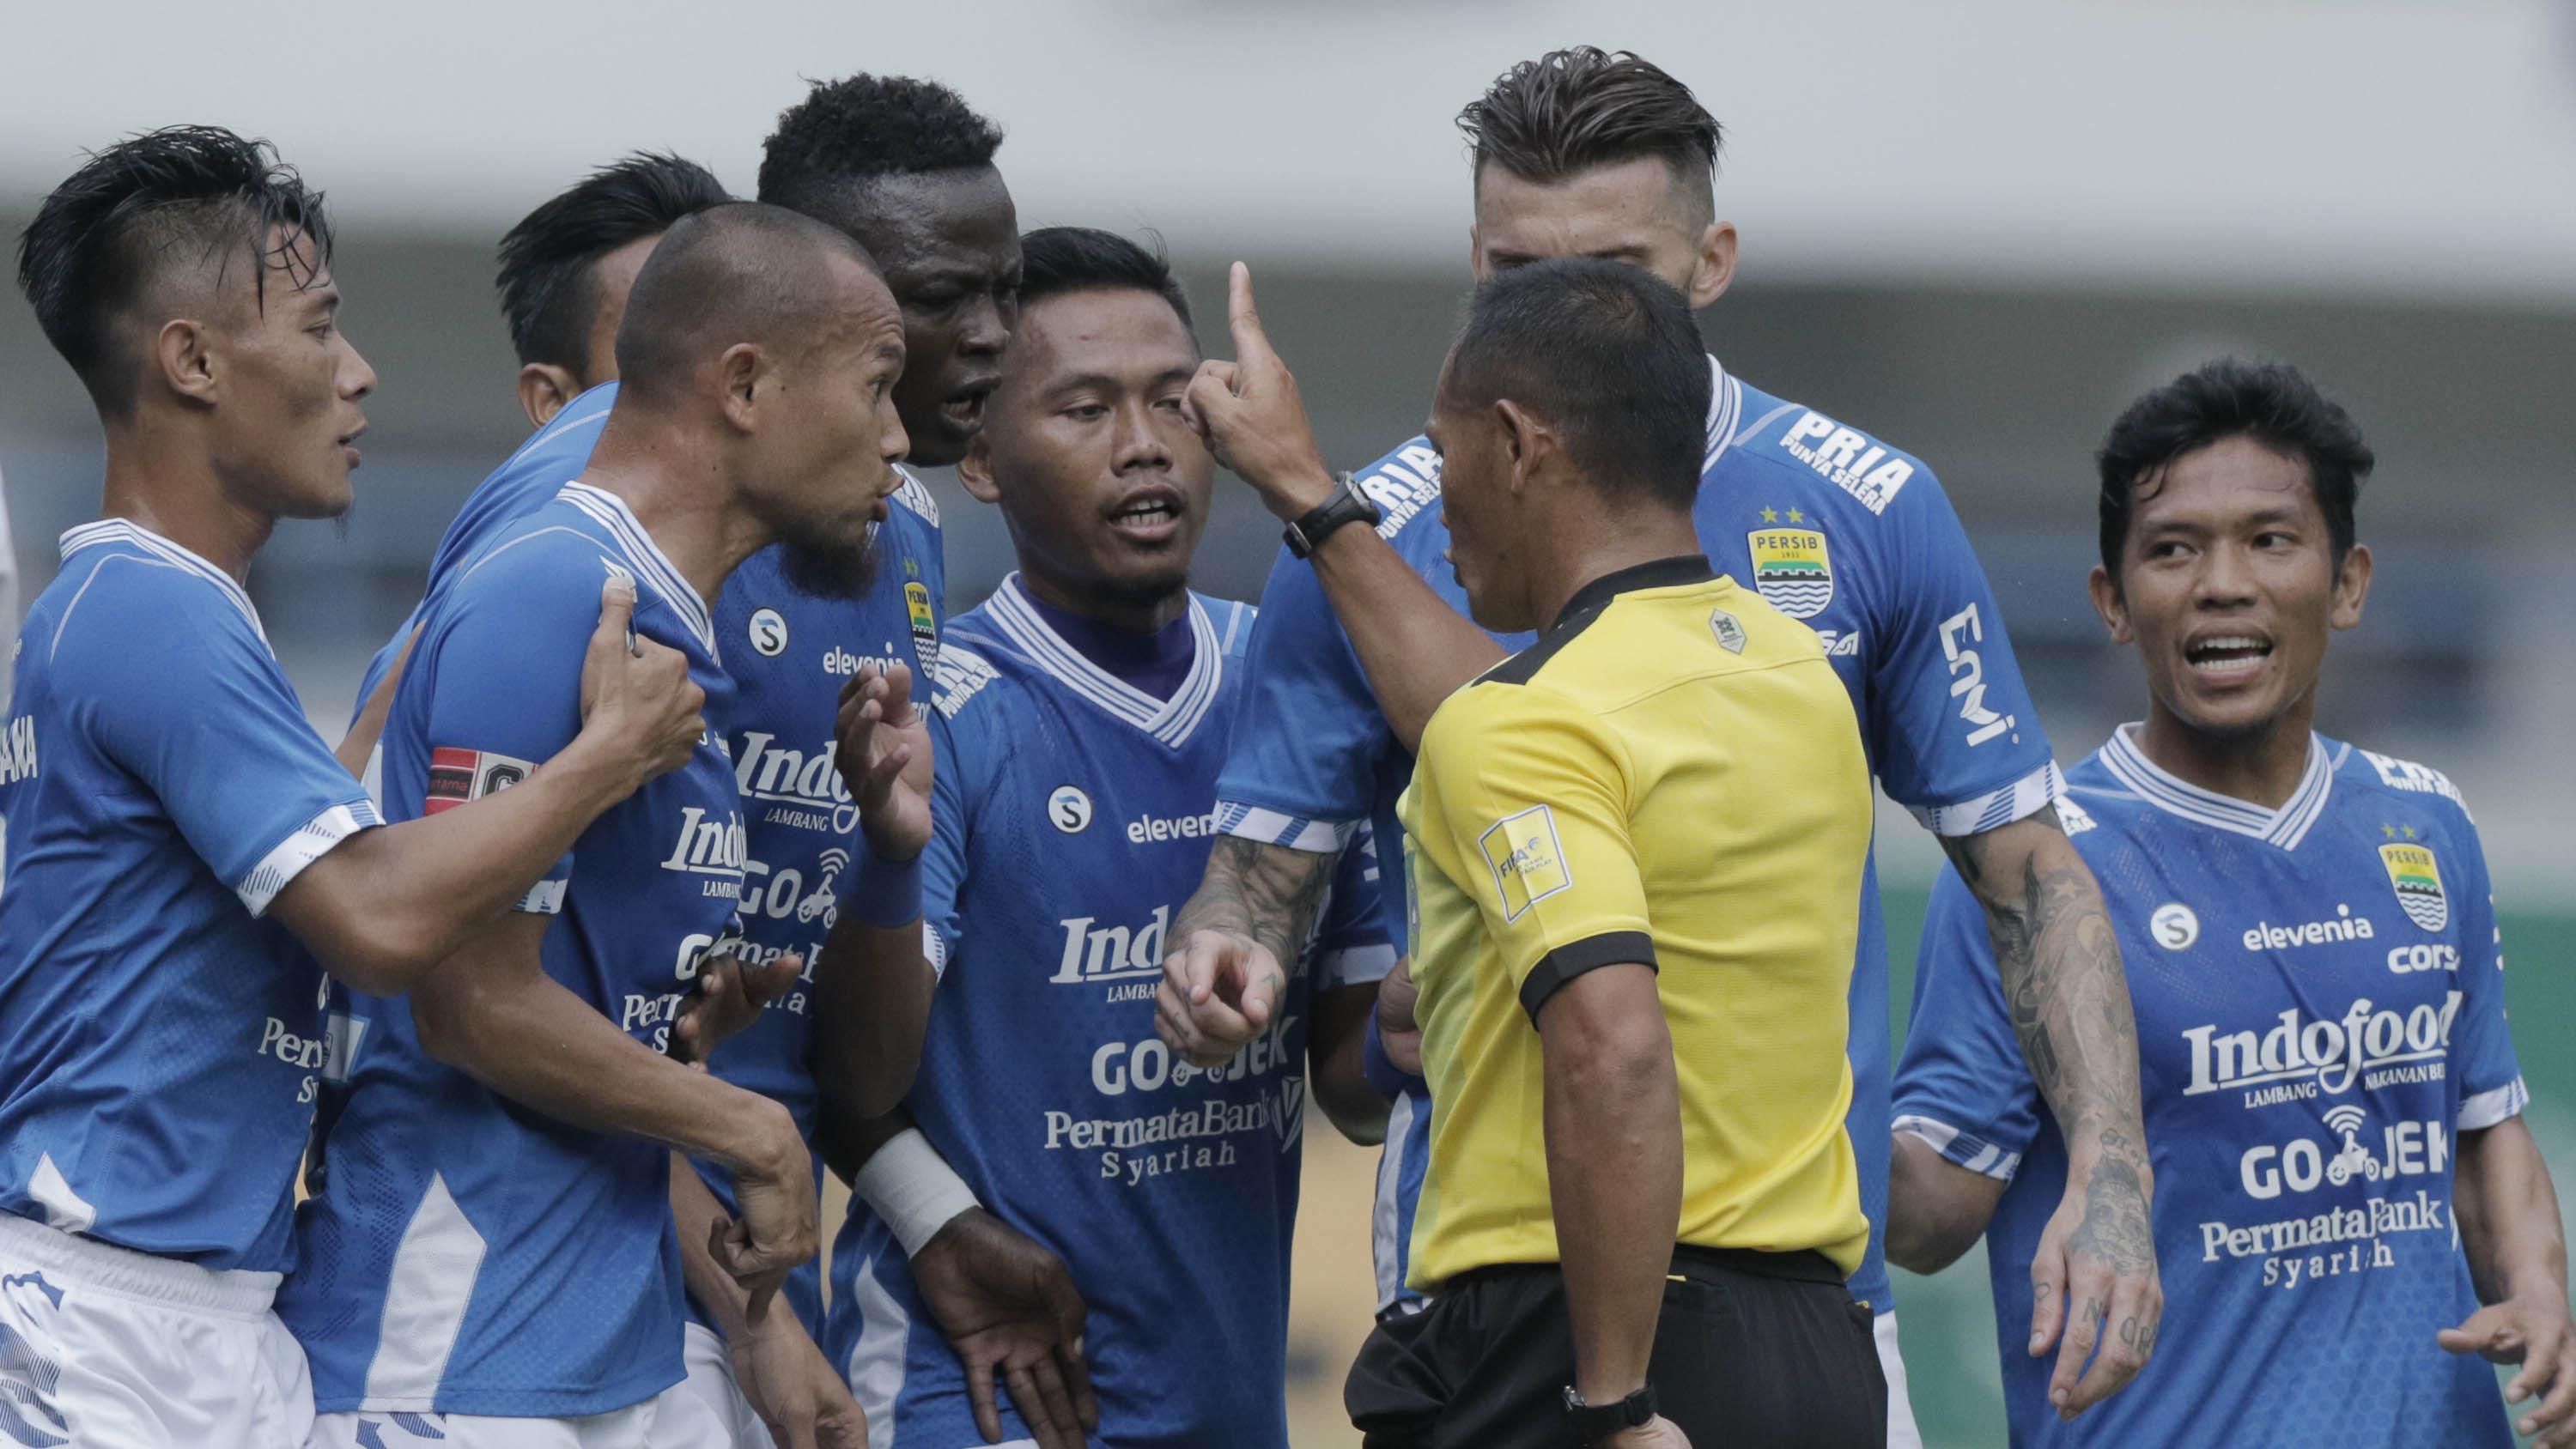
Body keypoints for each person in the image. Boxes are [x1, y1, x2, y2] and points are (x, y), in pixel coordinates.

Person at [1158, 47, 2157, 1439]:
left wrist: (2112, 1174)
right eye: (1516, 272)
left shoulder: (1874, 509)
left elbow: (2029, 871)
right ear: (1469, 259)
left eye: (1620, 265)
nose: (1568, 307)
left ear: (1715, 259)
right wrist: (1233, 950)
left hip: (1812, 1279)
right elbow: (1263, 875)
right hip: (1490, 1276)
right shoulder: (1391, 518)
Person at [0, 125, 706, 1447]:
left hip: (202, 1314)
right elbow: (377, 927)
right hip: (96, 1325)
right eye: (321, 329)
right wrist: (605, 760)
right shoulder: (156, 616)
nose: (360, 374)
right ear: (193, 362)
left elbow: (261, 911)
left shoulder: (139, 611)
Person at [276, 203, 912, 1448]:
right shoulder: (552, 590)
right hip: (449, 1335)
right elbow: (467, 1003)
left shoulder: (672, 628)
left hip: (596, 1342)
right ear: (745, 384)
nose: (899, 441)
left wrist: (681, 1041)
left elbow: (566, 998)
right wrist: (747, 1124)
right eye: (879, 387)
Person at [1890, 359, 2576, 1447]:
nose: (2222, 581)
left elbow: (2482, 1132)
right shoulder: (2033, 867)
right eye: (2173, 548)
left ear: (2347, 583)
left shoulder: (2425, 823)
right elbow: (1928, 1215)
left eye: (2269, 538)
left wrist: (2539, 1292)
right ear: (2113, 603)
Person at [817, 227, 1393, 1449]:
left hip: (1230, 1404)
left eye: (1176, 404)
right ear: (977, 454)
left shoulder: (1294, 682)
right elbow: (854, 1084)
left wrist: (1467, 1004)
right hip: (980, 1395)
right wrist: (888, 856)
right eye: (1083, 409)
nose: (1144, 445)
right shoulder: (944, 710)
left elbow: (1355, 1084)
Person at [1325, 257, 1882, 1447]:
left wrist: (1616, 1402)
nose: (1436, 494)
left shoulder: (1520, 719)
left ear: (1520, 445)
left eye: (1443, 448)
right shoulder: (1802, 682)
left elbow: (1615, 1048)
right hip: (1819, 1357)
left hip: (1580, 1347)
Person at [341, 150, 732, 775]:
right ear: (553, 401)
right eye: (661, 350)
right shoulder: (489, 617)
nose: (720, 381)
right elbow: (396, 861)